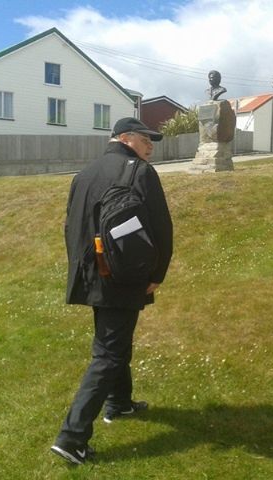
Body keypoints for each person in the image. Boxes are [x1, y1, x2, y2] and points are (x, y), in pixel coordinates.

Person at [51, 117, 173, 465]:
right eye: (146, 140)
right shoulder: (140, 172)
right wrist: (157, 273)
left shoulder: (83, 175)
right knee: (108, 354)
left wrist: (82, 270)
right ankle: (72, 438)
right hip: (124, 274)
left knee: (114, 341)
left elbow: (70, 226)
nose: (150, 147)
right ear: (126, 138)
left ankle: (119, 403)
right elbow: (161, 228)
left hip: (92, 274)